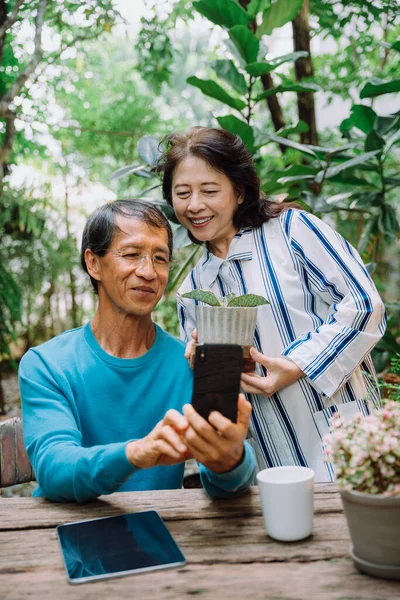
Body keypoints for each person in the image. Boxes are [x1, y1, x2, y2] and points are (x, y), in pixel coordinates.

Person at [157, 126, 387, 482]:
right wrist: (206, 366)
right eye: (182, 193)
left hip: (342, 436)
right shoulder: (192, 289)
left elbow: (364, 304)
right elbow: (220, 395)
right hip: (266, 461)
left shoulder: (293, 231)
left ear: (239, 191)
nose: (194, 205)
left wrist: (298, 364)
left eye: (210, 190)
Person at [19, 200, 256, 503]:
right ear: (94, 263)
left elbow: (232, 483)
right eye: (131, 254)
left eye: (160, 259)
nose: (148, 272)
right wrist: (136, 453)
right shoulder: (47, 364)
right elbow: (54, 469)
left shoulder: (189, 363)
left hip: (156, 533)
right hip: (64, 531)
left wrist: (229, 461)